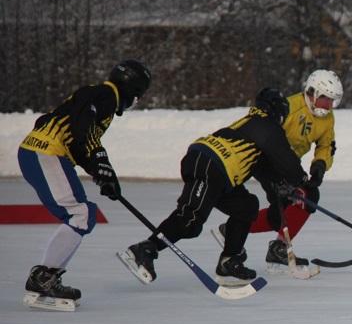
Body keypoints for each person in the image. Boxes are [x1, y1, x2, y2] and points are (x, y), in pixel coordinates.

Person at [118, 88, 309, 286]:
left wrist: (280, 187)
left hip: (218, 171)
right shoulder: (266, 126)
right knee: (190, 220)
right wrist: (301, 181)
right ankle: (146, 248)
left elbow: (264, 170)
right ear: (279, 112)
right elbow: (288, 163)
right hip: (211, 165)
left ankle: (230, 260)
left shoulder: (252, 126)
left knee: (246, 206)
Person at [17, 59, 152, 310]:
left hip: (40, 152)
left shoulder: (97, 95)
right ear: (133, 91)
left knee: (82, 213)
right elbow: (84, 131)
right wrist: (101, 162)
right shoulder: (106, 95)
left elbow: (80, 144)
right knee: (80, 213)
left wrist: (103, 175)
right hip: (46, 153)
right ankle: (44, 276)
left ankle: (46, 275)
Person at [212, 70, 342, 273]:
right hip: (266, 160)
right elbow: (263, 132)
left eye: (332, 101)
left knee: (287, 209)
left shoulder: (327, 118)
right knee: (295, 199)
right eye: (326, 99)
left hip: (289, 166)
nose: (329, 105)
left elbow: (326, 145)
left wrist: (319, 166)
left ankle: (233, 231)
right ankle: (277, 247)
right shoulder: (289, 107)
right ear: (312, 92)